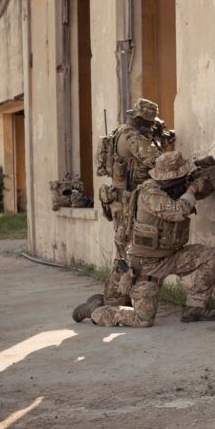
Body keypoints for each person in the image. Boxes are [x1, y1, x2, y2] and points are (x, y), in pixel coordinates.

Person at [76, 151, 215, 327]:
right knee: (143, 319)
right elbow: (178, 210)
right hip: (146, 266)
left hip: (172, 256)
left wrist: (207, 179)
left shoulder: (175, 188)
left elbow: (198, 193)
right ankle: (95, 310)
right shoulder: (150, 192)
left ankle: (195, 307)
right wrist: (192, 189)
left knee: (211, 256)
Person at [74, 98, 169, 323]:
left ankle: (114, 298)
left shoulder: (120, 132)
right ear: (141, 120)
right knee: (129, 253)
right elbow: (156, 162)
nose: (151, 127)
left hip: (121, 200)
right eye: (149, 123)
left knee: (125, 250)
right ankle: (110, 301)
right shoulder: (134, 137)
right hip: (129, 202)